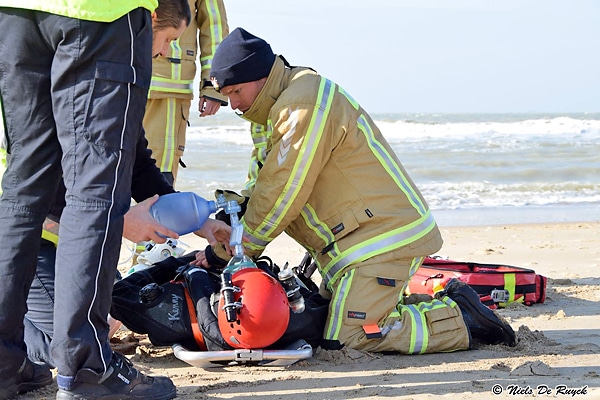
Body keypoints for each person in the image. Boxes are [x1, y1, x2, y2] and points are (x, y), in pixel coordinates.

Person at [195, 27, 517, 355]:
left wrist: (232, 252)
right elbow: (261, 185)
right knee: (321, 322)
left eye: (235, 91)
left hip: (381, 240)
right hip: (354, 246)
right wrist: (219, 221)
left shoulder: (302, 103)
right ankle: (441, 304)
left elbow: (282, 192)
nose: (233, 105)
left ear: (259, 76)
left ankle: (464, 320)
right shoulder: (270, 114)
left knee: (348, 337)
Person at [0, 1, 191, 399]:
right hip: (99, 13)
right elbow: (95, 193)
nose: (166, 52)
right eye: (170, 40)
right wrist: (122, 220)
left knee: (25, 184)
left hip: (17, 11)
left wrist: (192, 215)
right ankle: (87, 368)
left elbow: (134, 155)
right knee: (96, 190)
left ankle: (3, 362)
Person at [144, 0, 229, 187]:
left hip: (168, 89)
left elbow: (214, 25)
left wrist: (213, 85)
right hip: (119, 77)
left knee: (157, 175)